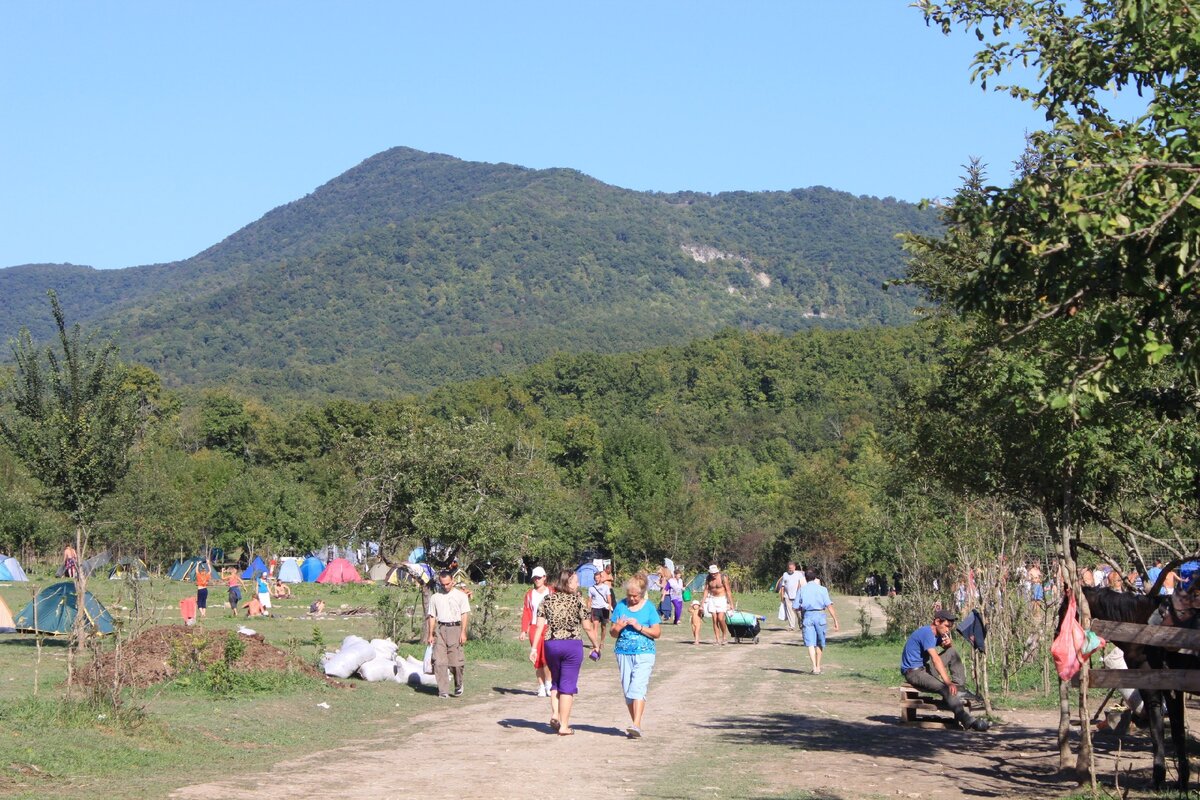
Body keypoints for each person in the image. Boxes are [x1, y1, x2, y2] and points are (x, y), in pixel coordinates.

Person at [528, 569, 599, 736]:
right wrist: (596, 645)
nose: (578, 584)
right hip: (571, 645)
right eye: (576, 581)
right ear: (567, 582)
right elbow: (588, 627)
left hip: (551, 644)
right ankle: (564, 726)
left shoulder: (547, 599)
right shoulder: (579, 600)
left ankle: (555, 714)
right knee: (568, 686)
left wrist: (533, 648)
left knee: (556, 681)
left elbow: (539, 626)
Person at [900, 610, 989, 732]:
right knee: (946, 688)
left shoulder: (936, 634)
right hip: (913, 673)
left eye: (950, 627)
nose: (948, 630)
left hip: (924, 668)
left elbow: (947, 650)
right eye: (946, 626)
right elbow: (936, 659)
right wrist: (948, 682)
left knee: (952, 651)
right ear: (937, 622)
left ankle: (959, 687)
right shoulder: (927, 633)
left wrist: (948, 644)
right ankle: (968, 721)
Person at [611, 573, 661, 739]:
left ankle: (637, 724)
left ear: (642, 593)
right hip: (623, 652)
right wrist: (618, 627)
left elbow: (656, 632)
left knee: (637, 688)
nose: (631, 598)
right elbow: (612, 633)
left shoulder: (649, 608)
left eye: (635, 596)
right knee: (628, 691)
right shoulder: (620, 606)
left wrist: (639, 627)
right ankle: (635, 725)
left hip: (645, 652)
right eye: (629, 595)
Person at [427, 569, 471, 698]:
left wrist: (463, 632)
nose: (445, 586)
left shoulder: (461, 596)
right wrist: (430, 634)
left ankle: (458, 684)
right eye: (442, 584)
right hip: (440, 629)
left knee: (456, 663)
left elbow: (464, 614)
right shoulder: (435, 597)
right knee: (439, 662)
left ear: (452, 581)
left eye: (447, 583)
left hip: (455, 628)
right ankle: (443, 690)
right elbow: (432, 616)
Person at [794, 569, 839, 674]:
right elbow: (829, 605)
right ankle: (818, 666)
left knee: (810, 643)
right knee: (820, 642)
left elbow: (795, 606)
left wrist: (802, 608)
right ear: (815, 578)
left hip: (808, 616)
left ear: (805, 578)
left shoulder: (802, 590)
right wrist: (835, 620)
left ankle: (814, 666)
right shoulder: (823, 589)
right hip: (820, 616)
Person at [520, 566, 554, 696]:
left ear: (545, 577)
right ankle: (541, 685)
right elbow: (527, 613)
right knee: (537, 659)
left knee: (547, 658)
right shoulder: (529, 595)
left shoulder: (552, 592)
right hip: (534, 628)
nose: (537, 580)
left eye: (539, 577)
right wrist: (524, 630)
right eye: (535, 578)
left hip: (549, 627)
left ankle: (549, 683)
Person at [702, 565, 734, 646]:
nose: (713, 575)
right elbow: (706, 590)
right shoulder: (708, 578)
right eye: (712, 573)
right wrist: (702, 602)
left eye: (715, 573)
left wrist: (731, 603)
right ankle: (717, 639)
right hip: (712, 599)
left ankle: (724, 636)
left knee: (720, 618)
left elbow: (728, 591)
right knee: (714, 620)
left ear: (718, 572)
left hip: (721, 599)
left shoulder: (723, 577)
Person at [588, 569, 614, 658]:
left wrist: (610, 606)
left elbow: (609, 597)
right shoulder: (591, 588)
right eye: (595, 578)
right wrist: (588, 609)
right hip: (595, 609)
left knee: (603, 627)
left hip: (604, 609)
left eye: (598, 578)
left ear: (601, 578)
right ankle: (595, 644)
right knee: (595, 627)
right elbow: (589, 600)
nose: (597, 580)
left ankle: (602, 642)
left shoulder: (606, 587)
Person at [775, 561, 806, 631]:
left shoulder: (799, 574)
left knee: (799, 612)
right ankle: (791, 626)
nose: (790, 570)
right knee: (790, 612)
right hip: (787, 596)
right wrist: (782, 597)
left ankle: (801, 625)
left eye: (792, 568)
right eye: (789, 569)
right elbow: (782, 586)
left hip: (797, 596)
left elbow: (801, 584)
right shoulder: (785, 574)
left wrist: (799, 594)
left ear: (794, 567)